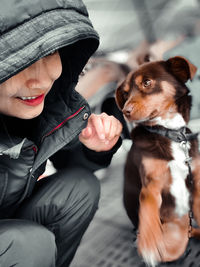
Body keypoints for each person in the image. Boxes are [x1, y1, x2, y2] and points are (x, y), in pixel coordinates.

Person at [0, 0, 123, 266]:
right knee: (28, 243)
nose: (41, 80)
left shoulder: (45, 105)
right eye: (19, 63)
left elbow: (72, 161)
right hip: (15, 240)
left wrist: (94, 147)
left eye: (48, 54)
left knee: (79, 187)